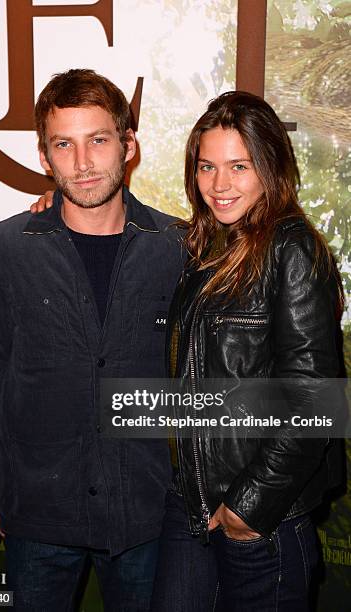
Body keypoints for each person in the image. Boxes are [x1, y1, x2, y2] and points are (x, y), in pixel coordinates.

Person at [0, 69, 184, 611]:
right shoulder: (8, 248)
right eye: (65, 144)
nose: (82, 163)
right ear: (44, 155)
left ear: (129, 146)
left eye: (98, 140)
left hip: (147, 514)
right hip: (38, 514)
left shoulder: (178, 247)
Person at [149, 91, 344, 612]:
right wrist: (55, 206)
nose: (219, 184)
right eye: (207, 166)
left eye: (239, 166)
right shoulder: (208, 247)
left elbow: (317, 404)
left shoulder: (291, 249)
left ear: (271, 166)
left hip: (261, 522)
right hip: (192, 507)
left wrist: (247, 508)